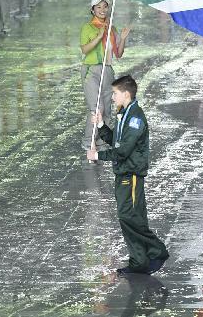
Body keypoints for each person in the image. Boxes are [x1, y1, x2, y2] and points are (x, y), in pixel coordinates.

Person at [87, 75, 169, 275]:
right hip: (123, 174)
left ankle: (157, 251)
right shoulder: (126, 114)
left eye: (115, 94)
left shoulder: (135, 118)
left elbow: (122, 151)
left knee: (130, 217)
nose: (112, 98)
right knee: (132, 217)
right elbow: (116, 141)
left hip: (130, 175)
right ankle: (139, 261)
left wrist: (97, 155)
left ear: (126, 94)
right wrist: (100, 126)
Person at [80, 0, 130, 147]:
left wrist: (122, 39)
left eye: (105, 7)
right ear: (92, 9)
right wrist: (99, 36)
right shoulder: (88, 28)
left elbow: (118, 54)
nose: (102, 10)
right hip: (92, 70)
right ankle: (89, 141)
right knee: (97, 107)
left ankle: (102, 139)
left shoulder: (111, 29)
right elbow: (85, 49)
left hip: (107, 70)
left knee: (107, 108)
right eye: (98, 7)